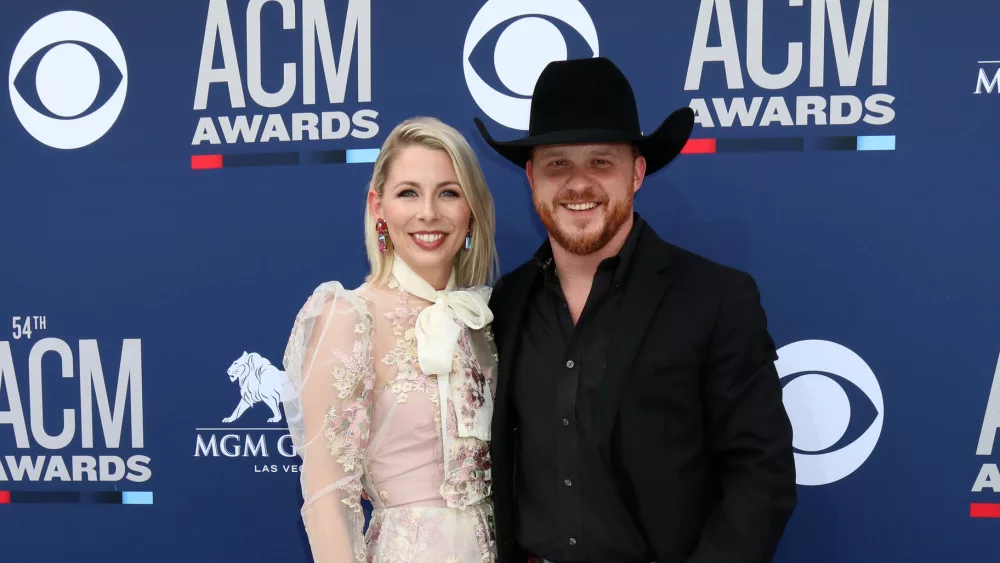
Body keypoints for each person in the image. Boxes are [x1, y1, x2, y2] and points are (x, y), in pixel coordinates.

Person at [474, 57, 797, 563]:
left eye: (601, 162)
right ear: (532, 178)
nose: (578, 183)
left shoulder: (715, 298)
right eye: (558, 163)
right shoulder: (504, 304)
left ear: (637, 173)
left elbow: (762, 474)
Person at [281, 117, 501, 562]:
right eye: (408, 193)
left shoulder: (486, 320)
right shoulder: (348, 316)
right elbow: (327, 497)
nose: (428, 213)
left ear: (471, 210)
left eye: (448, 192)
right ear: (378, 206)